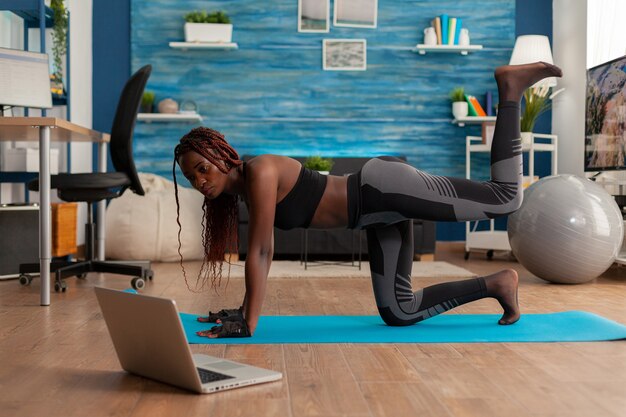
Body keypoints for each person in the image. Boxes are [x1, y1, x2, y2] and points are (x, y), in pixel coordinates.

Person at [173, 62, 563, 338]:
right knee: (399, 311)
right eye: (191, 177)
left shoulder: (259, 171)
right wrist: (241, 311)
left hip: (382, 189)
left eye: (202, 168)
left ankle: (510, 89)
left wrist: (248, 321)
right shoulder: (243, 190)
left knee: (506, 197)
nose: (199, 180)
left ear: (220, 155)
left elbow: (260, 251)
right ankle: (497, 284)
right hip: (375, 216)